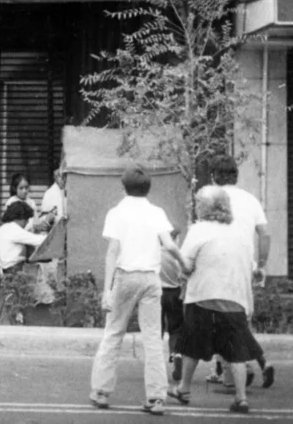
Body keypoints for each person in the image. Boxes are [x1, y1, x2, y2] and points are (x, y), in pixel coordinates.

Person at [88, 165, 185, 416]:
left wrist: (107, 290)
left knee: (113, 333)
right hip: (151, 279)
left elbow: (113, 252)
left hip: (125, 276)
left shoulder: (116, 213)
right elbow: (169, 245)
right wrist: (184, 264)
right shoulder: (156, 212)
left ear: (123, 187)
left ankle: (101, 391)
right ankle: (156, 396)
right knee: (153, 338)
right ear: (148, 188)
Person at [168, 185, 260, 415]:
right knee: (236, 350)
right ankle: (241, 398)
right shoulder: (240, 232)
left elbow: (186, 266)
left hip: (204, 297)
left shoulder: (198, 230)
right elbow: (250, 266)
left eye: (198, 203)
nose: (196, 207)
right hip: (235, 299)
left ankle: (184, 389)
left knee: (192, 345)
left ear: (205, 207)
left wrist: (181, 267)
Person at [209, 156, 275, 390]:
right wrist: (261, 264)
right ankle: (256, 363)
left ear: (213, 176)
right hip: (245, 265)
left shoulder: (210, 198)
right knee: (240, 318)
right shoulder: (250, 200)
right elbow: (264, 234)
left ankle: (236, 372)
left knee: (221, 319)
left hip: (218, 265)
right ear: (236, 176)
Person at [160, 228, 186, 392]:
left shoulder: (156, 254)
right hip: (175, 293)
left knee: (157, 329)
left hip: (158, 293)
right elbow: (184, 275)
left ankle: (156, 366)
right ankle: (175, 353)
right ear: (174, 239)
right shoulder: (177, 256)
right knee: (176, 328)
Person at [0, 200, 46, 271]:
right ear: (18, 218)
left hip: (6, 269)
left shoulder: (3, 228)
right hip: (13, 270)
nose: (27, 222)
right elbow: (39, 240)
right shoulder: (14, 229)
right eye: (26, 219)